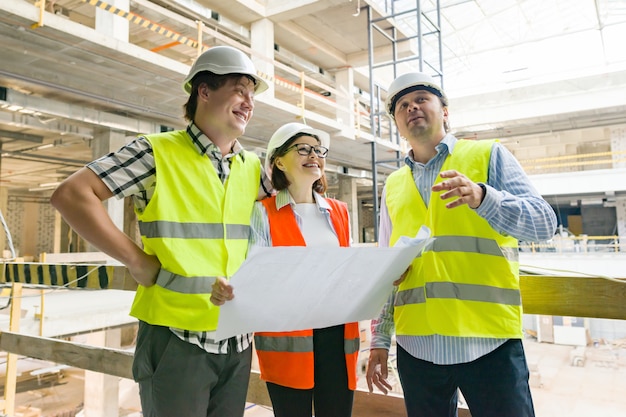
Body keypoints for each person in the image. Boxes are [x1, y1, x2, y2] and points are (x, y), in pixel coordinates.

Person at [50, 45, 272, 417]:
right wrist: (134, 259)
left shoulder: (251, 166)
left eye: (252, 96)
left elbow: (289, 211)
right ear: (204, 91)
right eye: (239, 90)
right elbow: (72, 194)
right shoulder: (156, 152)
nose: (249, 102)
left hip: (236, 339)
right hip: (176, 340)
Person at [365, 72, 557, 417]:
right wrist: (379, 341)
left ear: (445, 111)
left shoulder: (488, 156)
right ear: (397, 122)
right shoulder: (392, 185)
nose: (412, 108)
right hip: (416, 348)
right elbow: (385, 269)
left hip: (489, 343)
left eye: (422, 99)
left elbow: (544, 223)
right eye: (402, 106)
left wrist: (484, 197)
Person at [211, 122, 360, 417]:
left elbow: (349, 271)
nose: (314, 155)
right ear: (278, 161)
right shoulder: (263, 212)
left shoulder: (339, 211)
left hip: (338, 338)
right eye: (303, 149)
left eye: (319, 150)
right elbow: (257, 276)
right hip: (289, 341)